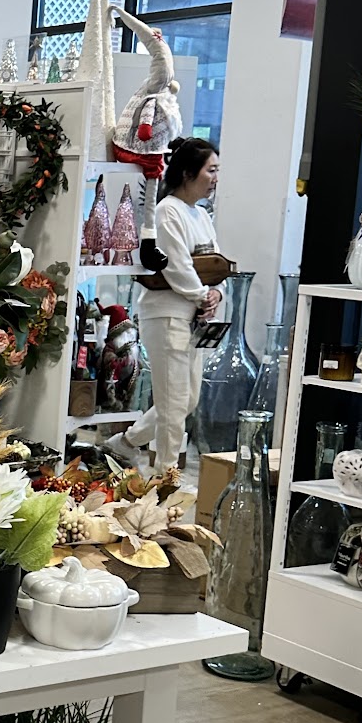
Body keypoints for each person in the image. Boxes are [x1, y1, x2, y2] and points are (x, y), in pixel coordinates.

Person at [109, 139, 223, 474]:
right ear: (188, 173)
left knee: (186, 399)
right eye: (211, 170)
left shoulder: (201, 214)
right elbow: (176, 265)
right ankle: (166, 477)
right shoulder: (166, 211)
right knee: (173, 404)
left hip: (194, 318)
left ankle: (126, 443)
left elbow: (215, 263)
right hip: (167, 315)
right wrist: (202, 295)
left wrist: (216, 293)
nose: (215, 178)